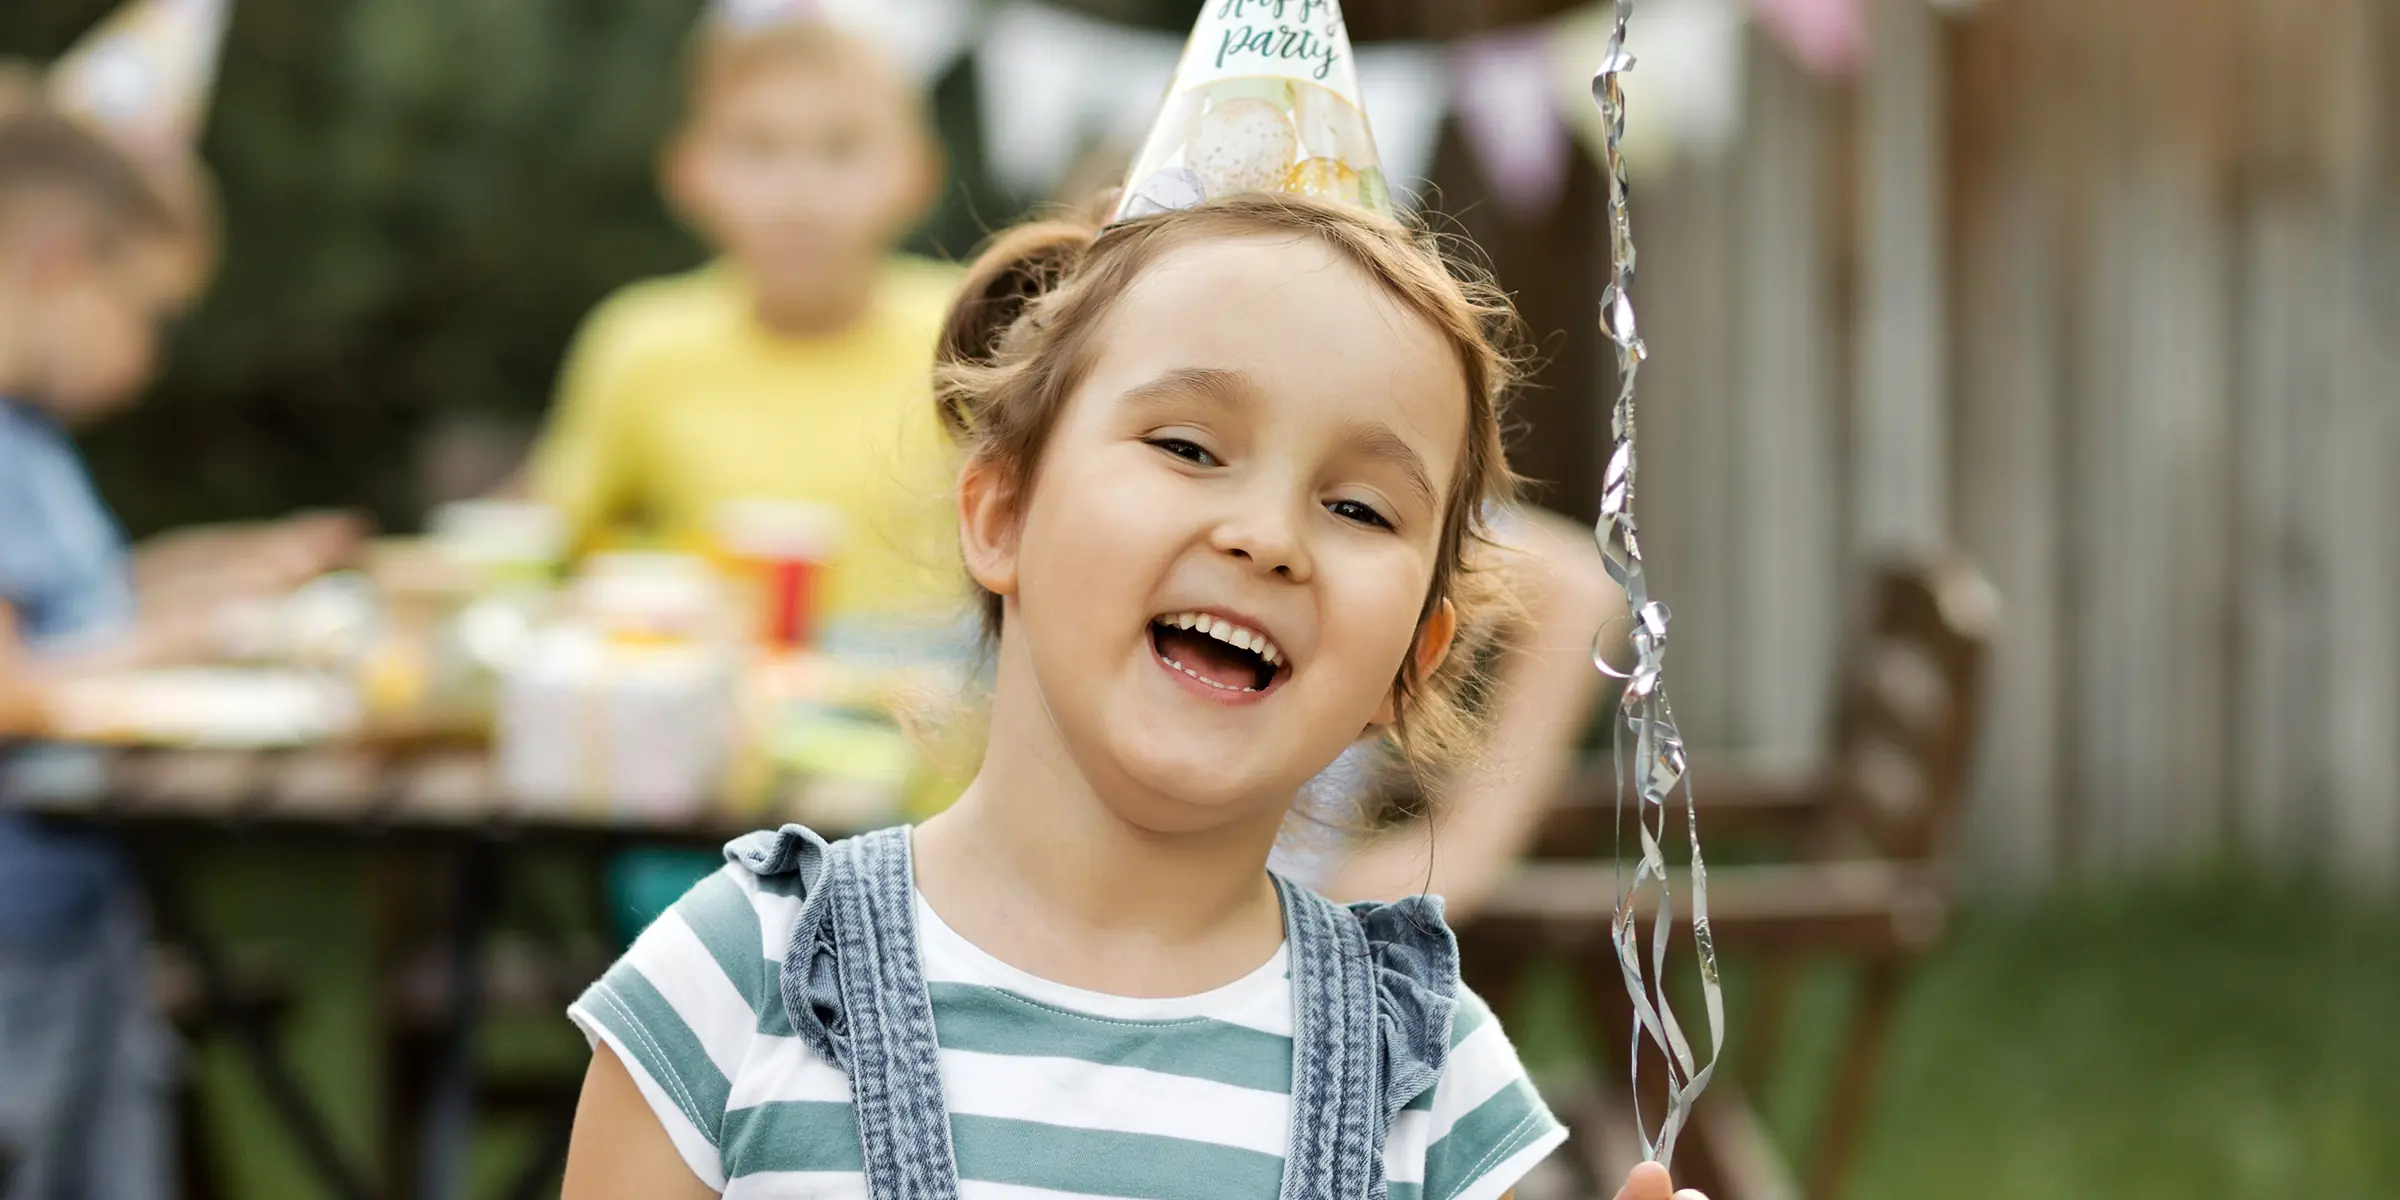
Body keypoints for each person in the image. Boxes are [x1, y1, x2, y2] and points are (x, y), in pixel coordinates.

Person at [557, 188, 1703, 1199]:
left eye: (1357, 508)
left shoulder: (1427, 1078)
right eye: (1190, 447)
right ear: (1002, 514)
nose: (1267, 537)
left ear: (1412, 659)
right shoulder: (735, 983)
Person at [523, 7, 960, 631]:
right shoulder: (640, 343)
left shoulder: (973, 335)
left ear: (916, 173)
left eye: (841, 149)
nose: (797, 189)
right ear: (689, 172)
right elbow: (551, 548)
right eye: (757, 148)